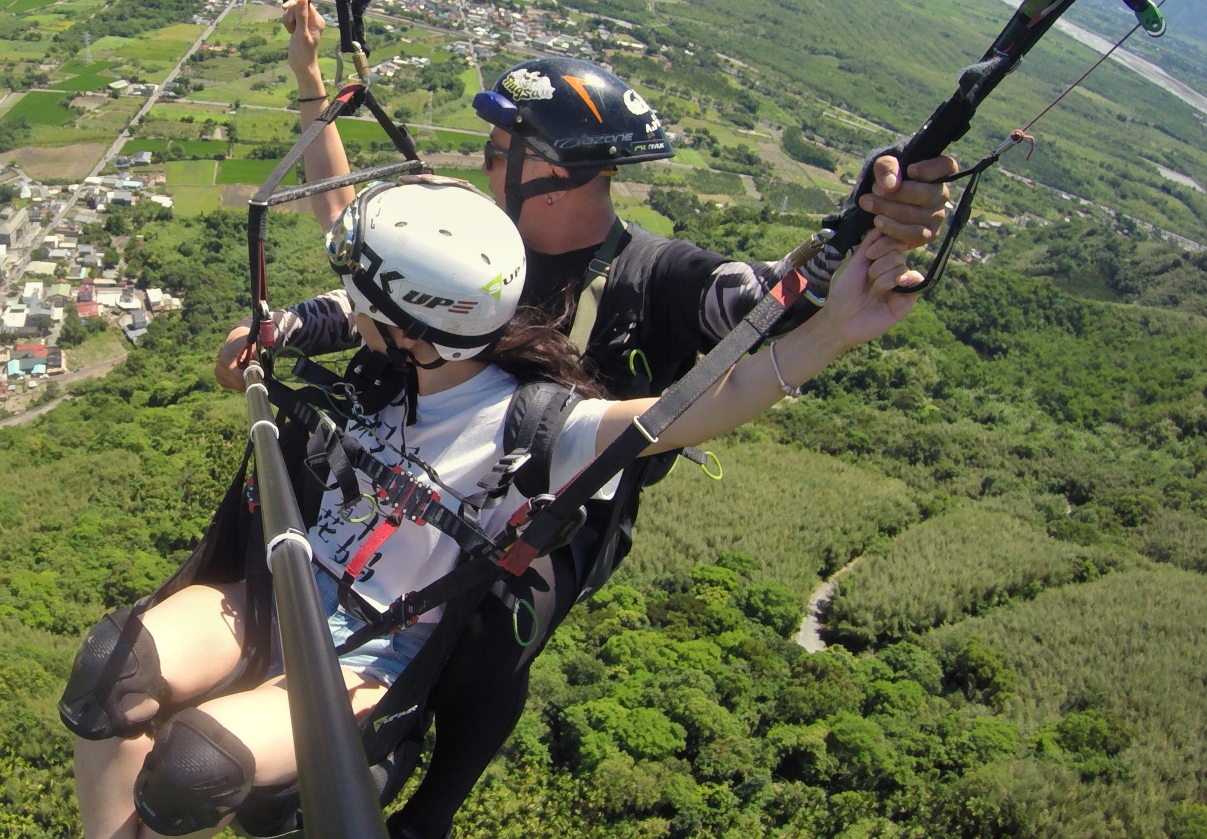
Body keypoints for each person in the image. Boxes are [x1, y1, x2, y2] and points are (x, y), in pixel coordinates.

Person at [209, 0, 960, 838]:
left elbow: (771, 299)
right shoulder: (482, 238)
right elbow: (352, 220)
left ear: (560, 176)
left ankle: (427, 803)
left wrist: (863, 227)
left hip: (556, 508)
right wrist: (309, 74)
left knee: (501, 611)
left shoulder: (657, 279)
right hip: (425, 466)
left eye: (502, 155)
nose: (488, 169)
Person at [65, 171, 924, 839]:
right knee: (112, 669)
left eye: (366, 303)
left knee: (191, 766)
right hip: (274, 588)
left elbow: (694, 408)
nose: (347, 310)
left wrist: (832, 330)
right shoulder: (389, 357)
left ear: (415, 325)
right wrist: (266, 336)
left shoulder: (538, 424)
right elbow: (342, 295)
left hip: (375, 653)